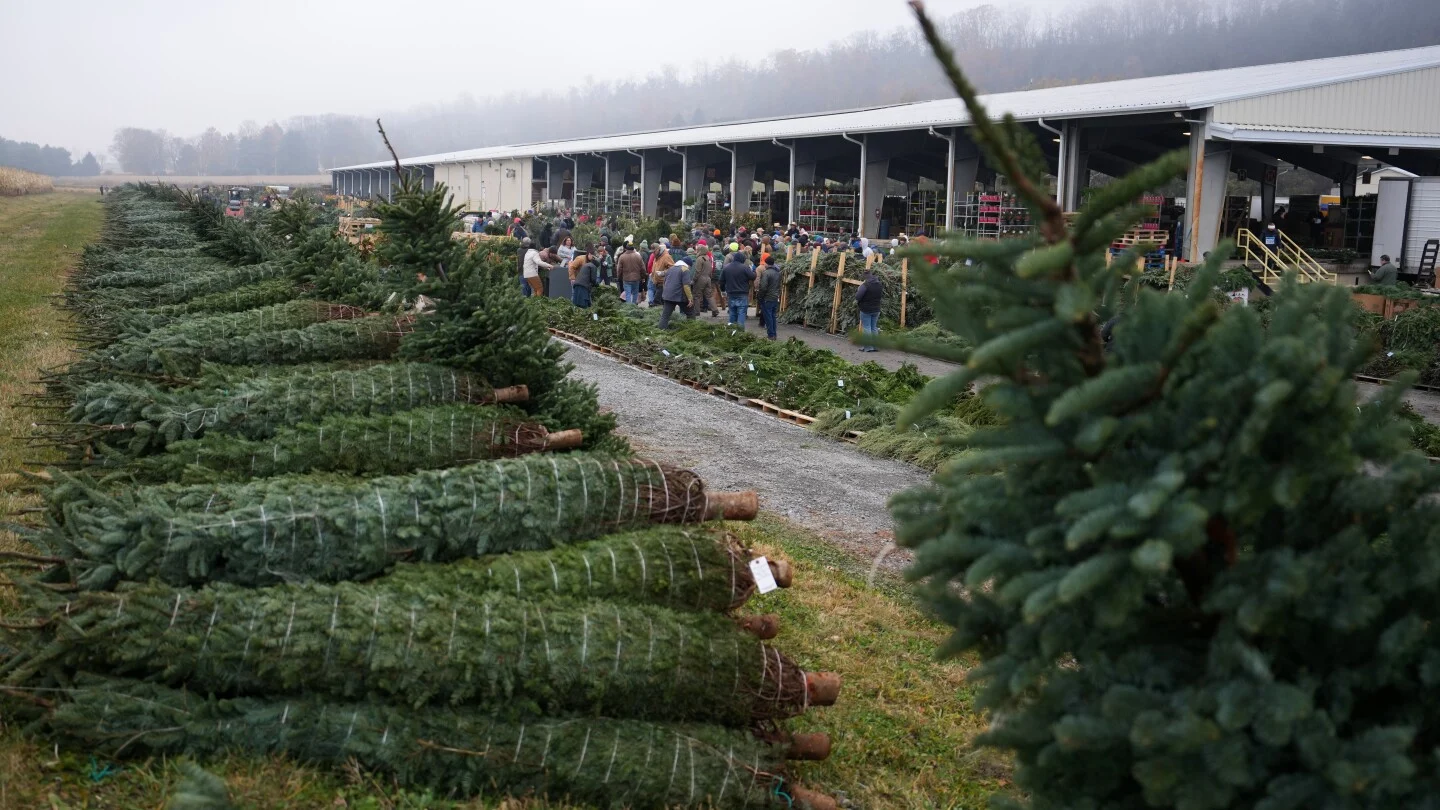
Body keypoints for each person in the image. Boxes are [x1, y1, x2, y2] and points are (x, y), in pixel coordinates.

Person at [720, 249, 756, 327]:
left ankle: (732, 330)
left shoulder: (726, 267)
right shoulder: (745, 267)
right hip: (742, 293)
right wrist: (752, 270)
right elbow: (753, 277)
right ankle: (740, 331)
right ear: (742, 259)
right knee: (741, 312)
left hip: (731, 293)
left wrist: (723, 291)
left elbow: (721, 281)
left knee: (732, 312)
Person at [657, 258, 694, 329]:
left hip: (668, 296)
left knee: (665, 316)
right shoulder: (685, 270)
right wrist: (690, 298)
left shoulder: (671, 269)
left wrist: (665, 294)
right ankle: (692, 329)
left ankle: (661, 331)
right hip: (679, 296)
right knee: (690, 313)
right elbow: (686, 286)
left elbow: (665, 282)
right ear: (688, 265)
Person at [855, 269, 884, 352]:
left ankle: (868, 347)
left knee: (867, 328)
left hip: (866, 309)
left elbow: (857, 297)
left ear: (865, 276)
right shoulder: (879, 284)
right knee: (874, 328)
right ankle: (875, 346)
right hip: (876, 309)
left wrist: (858, 289)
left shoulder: (865, 285)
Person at [756, 254, 782, 340]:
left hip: (767, 298)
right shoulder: (778, 273)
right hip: (775, 297)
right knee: (773, 316)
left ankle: (771, 335)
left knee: (768, 317)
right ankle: (774, 334)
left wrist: (760, 296)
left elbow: (763, 287)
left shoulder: (766, 273)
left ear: (767, 264)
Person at [691, 242, 719, 317]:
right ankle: (715, 310)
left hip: (700, 279)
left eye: (697, 249)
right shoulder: (708, 258)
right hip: (708, 278)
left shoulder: (699, 259)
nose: (696, 251)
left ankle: (696, 312)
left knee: (696, 295)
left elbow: (697, 271)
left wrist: (694, 280)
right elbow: (711, 269)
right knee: (709, 295)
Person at [650, 242, 674, 307]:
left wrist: (663, 273)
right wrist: (652, 273)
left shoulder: (666, 256)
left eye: (654, 251)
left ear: (658, 249)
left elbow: (673, 269)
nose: (653, 253)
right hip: (657, 282)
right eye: (652, 252)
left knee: (657, 302)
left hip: (663, 283)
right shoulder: (656, 256)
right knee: (661, 302)